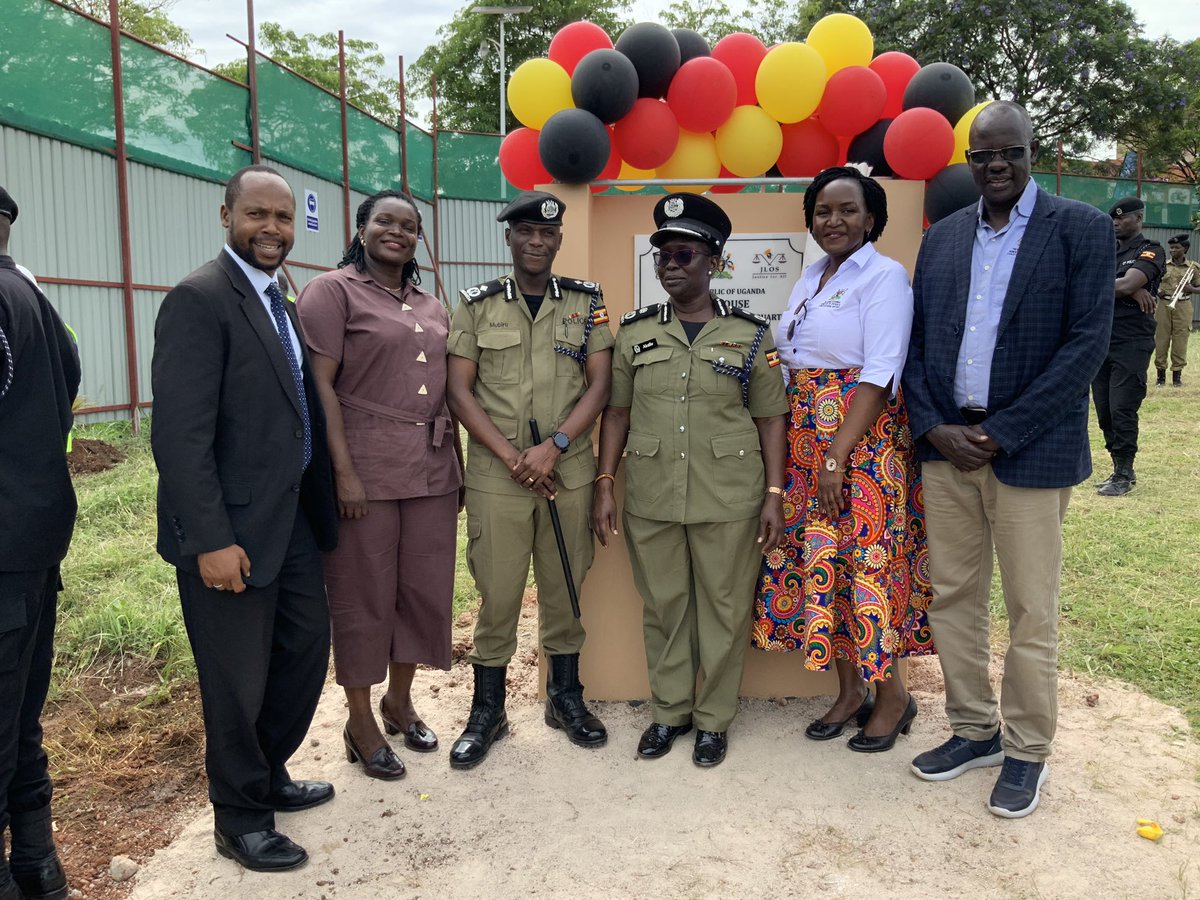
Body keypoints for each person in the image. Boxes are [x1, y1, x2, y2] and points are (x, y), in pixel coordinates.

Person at [903, 101, 1113, 818]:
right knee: (954, 599)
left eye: (1009, 153)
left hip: (1030, 451)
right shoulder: (945, 238)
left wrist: (1003, 431)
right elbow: (919, 344)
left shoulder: (1078, 230)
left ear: (1031, 151)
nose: (995, 166)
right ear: (968, 161)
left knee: (1031, 610)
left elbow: (1086, 345)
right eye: (982, 156)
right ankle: (973, 730)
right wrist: (935, 428)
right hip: (948, 451)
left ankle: (1026, 751)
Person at [151, 165, 338, 871]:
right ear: (225, 214)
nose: (271, 230)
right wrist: (211, 539)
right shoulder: (200, 299)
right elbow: (179, 435)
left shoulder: (277, 297)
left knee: (302, 651)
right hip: (227, 532)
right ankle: (239, 817)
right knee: (236, 681)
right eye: (257, 215)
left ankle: (268, 772)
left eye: (283, 219)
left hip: (286, 521)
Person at [592, 193, 787, 768]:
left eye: (684, 253)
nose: (671, 265)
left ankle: (713, 720)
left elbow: (772, 417)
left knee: (725, 609)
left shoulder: (749, 334)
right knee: (664, 607)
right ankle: (670, 712)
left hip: (729, 497)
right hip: (651, 494)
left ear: (715, 261)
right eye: (662, 256)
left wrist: (774, 495)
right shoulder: (633, 333)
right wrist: (606, 481)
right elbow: (618, 414)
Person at [752, 166, 934, 753]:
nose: (835, 220)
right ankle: (850, 690)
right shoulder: (810, 277)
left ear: (872, 218)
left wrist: (836, 455)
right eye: (824, 211)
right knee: (822, 566)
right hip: (808, 444)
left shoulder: (884, 278)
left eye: (848, 210)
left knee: (869, 565)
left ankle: (894, 697)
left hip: (861, 443)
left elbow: (881, 371)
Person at [296, 190, 463, 780]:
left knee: (422, 589)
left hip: (433, 469)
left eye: (410, 225)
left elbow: (448, 389)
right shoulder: (331, 292)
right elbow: (320, 388)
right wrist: (341, 471)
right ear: (361, 228)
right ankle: (361, 719)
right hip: (364, 467)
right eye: (385, 222)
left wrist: (459, 472)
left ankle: (400, 700)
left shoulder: (432, 304)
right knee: (362, 592)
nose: (398, 232)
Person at [446, 190, 613, 769]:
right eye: (525, 232)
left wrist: (556, 446)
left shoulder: (587, 303)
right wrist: (517, 457)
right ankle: (487, 710)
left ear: (559, 239)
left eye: (547, 233)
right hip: (499, 474)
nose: (536, 241)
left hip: (568, 470)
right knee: (498, 592)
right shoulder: (476, 305)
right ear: (510, 238)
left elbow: (600, 385)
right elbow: (458, 391)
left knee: (567, 587)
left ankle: (565, 698)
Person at [0, 185, 79, 900]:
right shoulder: (30, 294)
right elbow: (71, 376)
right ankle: (36, 867)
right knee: (20, 719)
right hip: (32, 538)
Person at [1092, 196, 1164, 496]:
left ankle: (1125, 471)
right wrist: (1131, 291)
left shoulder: (1151, 250)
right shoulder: (1106, 251)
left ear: (1138, 217)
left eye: (1121, 217)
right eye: (1113, 218)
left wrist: (1127, 288)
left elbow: (1125, 284)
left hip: (1131, 340)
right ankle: (1115, 466)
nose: (1115, 222)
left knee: (1123, 406)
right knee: (1104, 410)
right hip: (1100, 338)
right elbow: (1113, 284)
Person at [1154, 233, 1199, 388]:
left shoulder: (1193, 267)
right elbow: (1152, 281)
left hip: (1183, 305)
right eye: (1171, 247)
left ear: (1184, 249)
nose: (1172, 250)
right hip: (1164, 304)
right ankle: (1160, 377)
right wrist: (1157, 290)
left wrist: (1191, 288)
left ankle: (1177, 377)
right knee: (1161, 339)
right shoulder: (1163, 265)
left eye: (1176, 247)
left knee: (1181, 340)